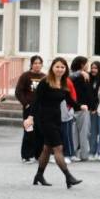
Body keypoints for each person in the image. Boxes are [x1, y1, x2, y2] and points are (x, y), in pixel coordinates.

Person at [23, 57, 81, 188]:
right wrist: (30, 117)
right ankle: (68, 177)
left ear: (65, 69)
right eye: (57, 66)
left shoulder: (64, 83)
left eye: (62, 67)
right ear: (52, 68)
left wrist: (80, 106)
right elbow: (36, 100)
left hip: (56, 119)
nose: (60, 69)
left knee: (47, 149)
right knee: (58, 148)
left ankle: (39, 175)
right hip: (44, 119)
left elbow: (69, 100)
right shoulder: (45, 82)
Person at [15, 55, 45, 162]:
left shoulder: (44, 77)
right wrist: (26, 104)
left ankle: (38, 155)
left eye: (39, 63)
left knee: (40, 132)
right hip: (29, 109)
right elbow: (18, 91)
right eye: (35, 63)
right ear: (31, 64)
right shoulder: (25, 76)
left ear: (42, 64)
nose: (37, 65)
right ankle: (26, 155)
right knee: (29, 131)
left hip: (41, 109)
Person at [69, 56, 95, 162]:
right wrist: (91, 106)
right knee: (84, 132)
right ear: (81, 65)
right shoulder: (82, 77)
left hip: (74, 107)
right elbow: (87, 94)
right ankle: (84, 154)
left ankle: (73, 153)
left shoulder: (73, 76)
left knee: (74, 132)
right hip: (82, 107)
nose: (88, 65)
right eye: (87, 63)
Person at [86, 61, 100, 159]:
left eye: (96, 68)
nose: (93, 70)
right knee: (92, 132)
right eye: (92, 68)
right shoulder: (88, 78)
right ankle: (92, 152)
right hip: (90, 109)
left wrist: (96, 107)